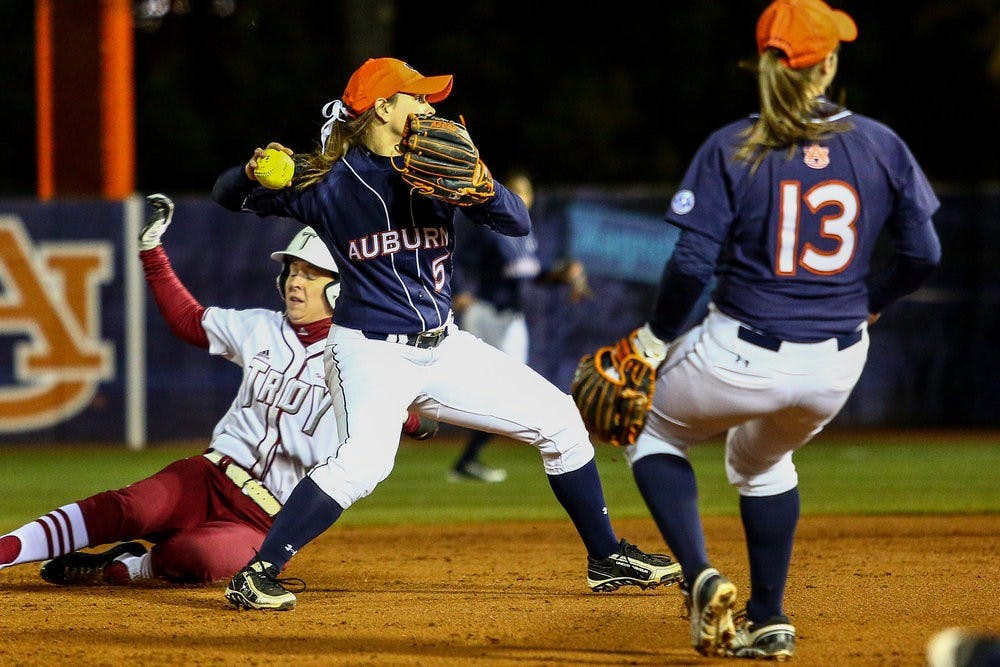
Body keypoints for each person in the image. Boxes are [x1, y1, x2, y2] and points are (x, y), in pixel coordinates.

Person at [211, 56, 680, 611]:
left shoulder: (436, 171)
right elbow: (226, 193)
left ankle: (605, 558)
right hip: (369, 352)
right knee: (365, 462)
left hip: (444, 346)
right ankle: (261, 571)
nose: (429, 107)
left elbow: (517, 222)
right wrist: (250, 171)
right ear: (383, 108)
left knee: (560, 420)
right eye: (417, 98)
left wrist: (479, 185)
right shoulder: (327, 185)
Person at [607, 0, 942, 659]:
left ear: (763, 63)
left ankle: (701, 574)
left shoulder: (736, 144)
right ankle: (770, 618)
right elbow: (924, 254)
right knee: (762, 461)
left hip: (742, 349)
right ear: (830, 67)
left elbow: (693, 263)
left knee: (647, 426)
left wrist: (651, 339)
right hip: (838, 362)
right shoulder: (880, 143)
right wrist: (873, 299)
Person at [0, 194, 435, 585]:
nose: (295, 282)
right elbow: (188, 321)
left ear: (341, 287)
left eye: (311, 274)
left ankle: (128, 566)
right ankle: (7, 549)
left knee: (200, 556)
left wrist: (408, 418)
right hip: (209, 475)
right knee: (128, 508)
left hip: (268, 517)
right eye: (292, 271)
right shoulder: (260, 327)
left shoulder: (361, 357)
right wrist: (152, 254)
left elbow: (418, 419)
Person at [449, 169, 592, 483]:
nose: (521, 200)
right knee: (486, 389)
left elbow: (535, 275)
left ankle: (468, 459)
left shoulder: (526, 236)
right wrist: (459, 290)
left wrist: (563, 275)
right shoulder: (487, 228)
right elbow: (455, 258)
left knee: (505, 390)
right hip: (486, 313)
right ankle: (457, 451)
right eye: (515, 193)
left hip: (511, 317)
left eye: (525, 194)